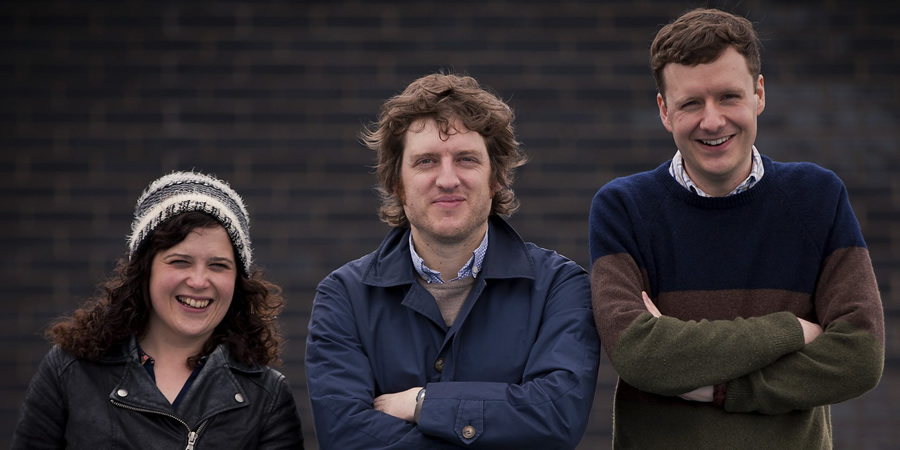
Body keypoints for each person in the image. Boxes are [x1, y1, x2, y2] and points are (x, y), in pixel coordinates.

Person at [588, 7, 885, 449]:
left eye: (728, 96)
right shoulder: (623, 209)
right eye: (691, 103)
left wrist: (719, 389)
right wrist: (790, 330)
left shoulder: (816, 198)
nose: (712, 120)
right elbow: (640, 355)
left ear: (759, 94)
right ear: (665, 111)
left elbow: (859, 357)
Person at [305, 73, 601, 449]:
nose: (447, 179)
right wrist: (499, 424)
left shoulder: (560, 287)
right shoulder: (344, 296)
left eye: (466, 159)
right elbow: (345, 437)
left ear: (497, 177)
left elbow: (557, 419)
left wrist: (423, 404)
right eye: (426, 161)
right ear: (396, 183)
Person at [12, 171, 304, 449]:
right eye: (179, 261)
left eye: (218, 266)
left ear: (237, 281)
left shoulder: (267, 396)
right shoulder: (70, 371)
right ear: (145, 269)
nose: (199, 281)